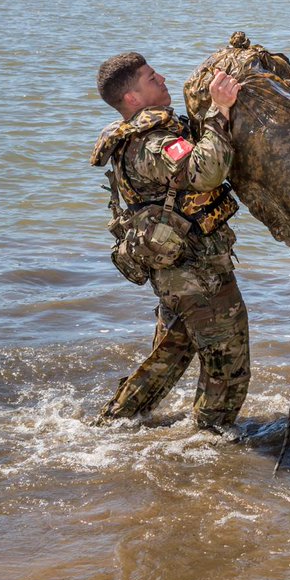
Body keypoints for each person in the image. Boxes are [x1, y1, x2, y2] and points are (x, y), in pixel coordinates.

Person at [88, 52, 249, 432]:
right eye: (149, 77)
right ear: (133, 99)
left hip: (178, 273)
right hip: (197, 275)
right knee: (228, 367)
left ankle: (111, 425)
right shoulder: (151, 143)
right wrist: (220, 112)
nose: (161, 77)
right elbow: (206, 171)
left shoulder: (152, 134)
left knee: (170, 354)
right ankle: (211, 442)